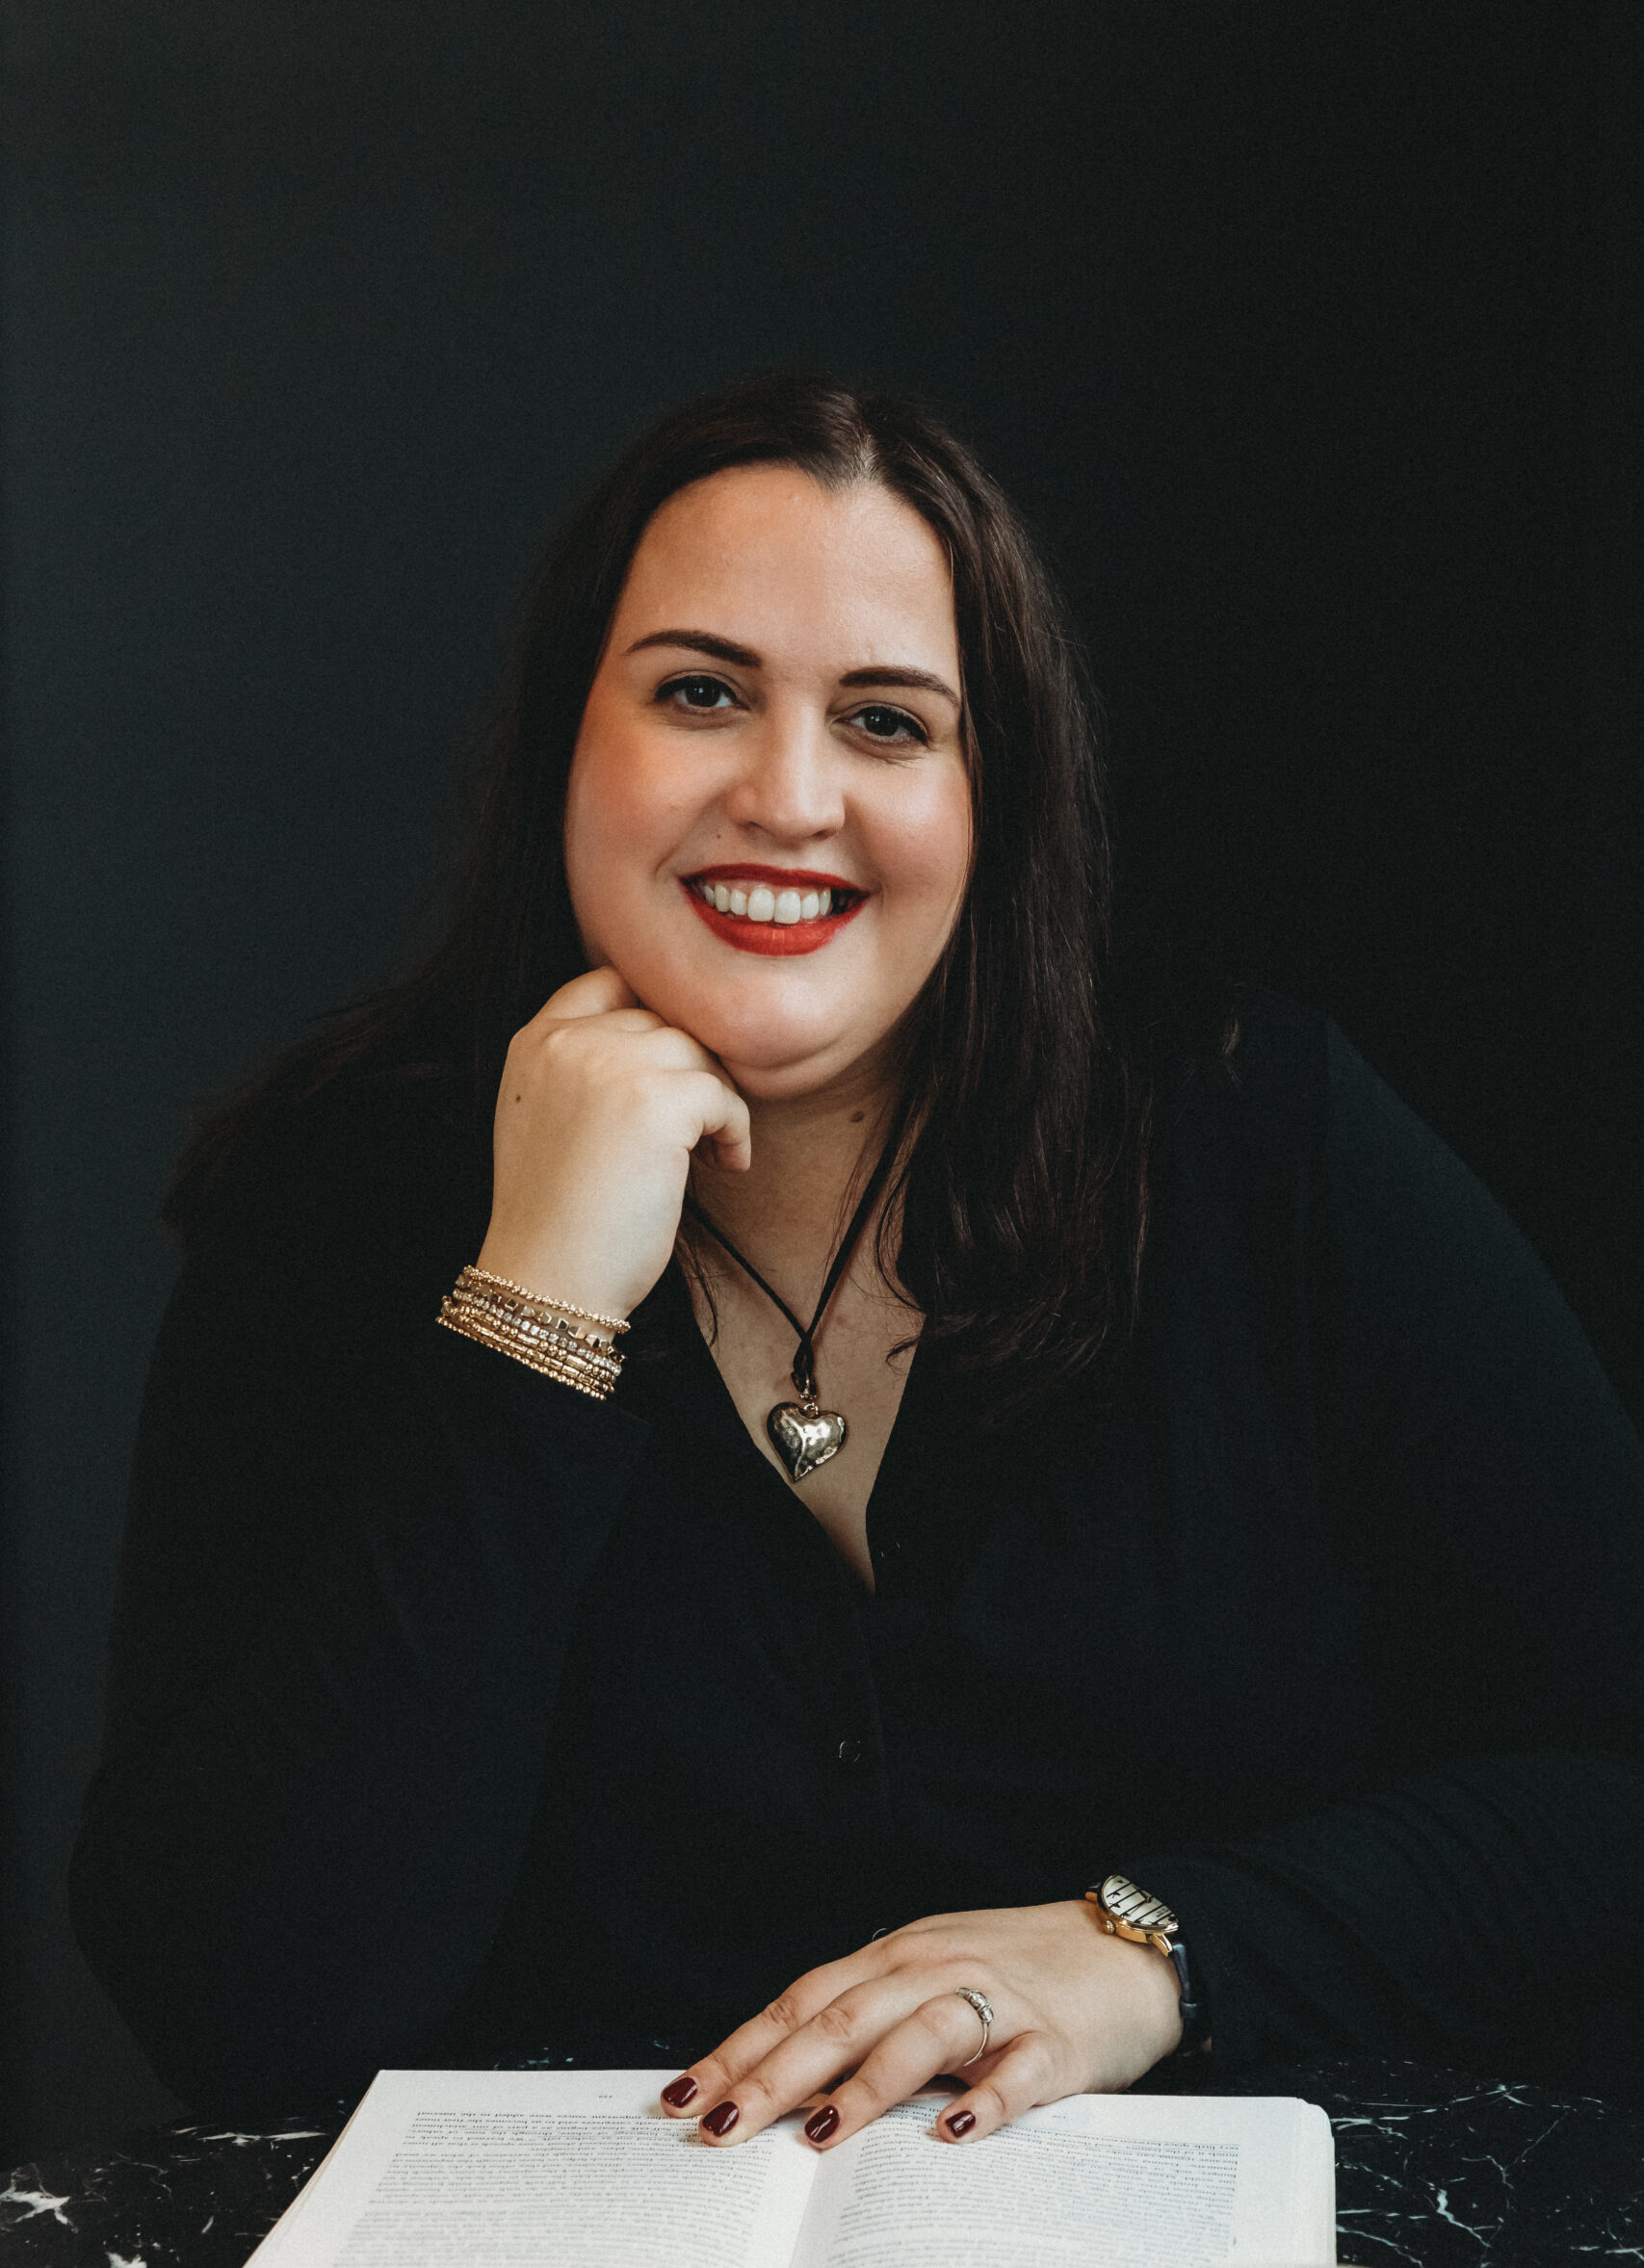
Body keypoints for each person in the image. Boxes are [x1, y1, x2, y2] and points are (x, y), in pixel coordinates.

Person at [71, 373, 1644, 2139]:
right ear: (564, 744)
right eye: (699, 693)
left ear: (996, 797)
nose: (787, 794)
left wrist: (1153, 1951)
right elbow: (239, 2003)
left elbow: (1610, 1774)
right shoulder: (336, 1199)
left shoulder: (1251, 1136)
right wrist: (532, 1313)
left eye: (887, 723)